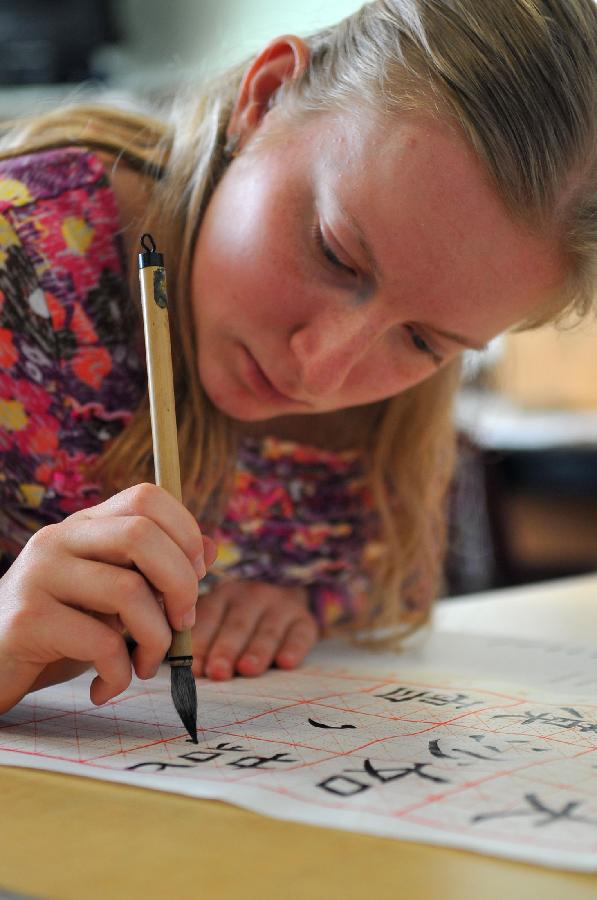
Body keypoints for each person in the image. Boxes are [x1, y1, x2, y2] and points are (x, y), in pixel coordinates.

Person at [0, 0, 595, 714]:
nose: (319, 370)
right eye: (334, 254)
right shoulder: (21, 259)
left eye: (421, 341)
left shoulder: (388, 430)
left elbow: (374, 589)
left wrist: (293, 605)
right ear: (264, 98)